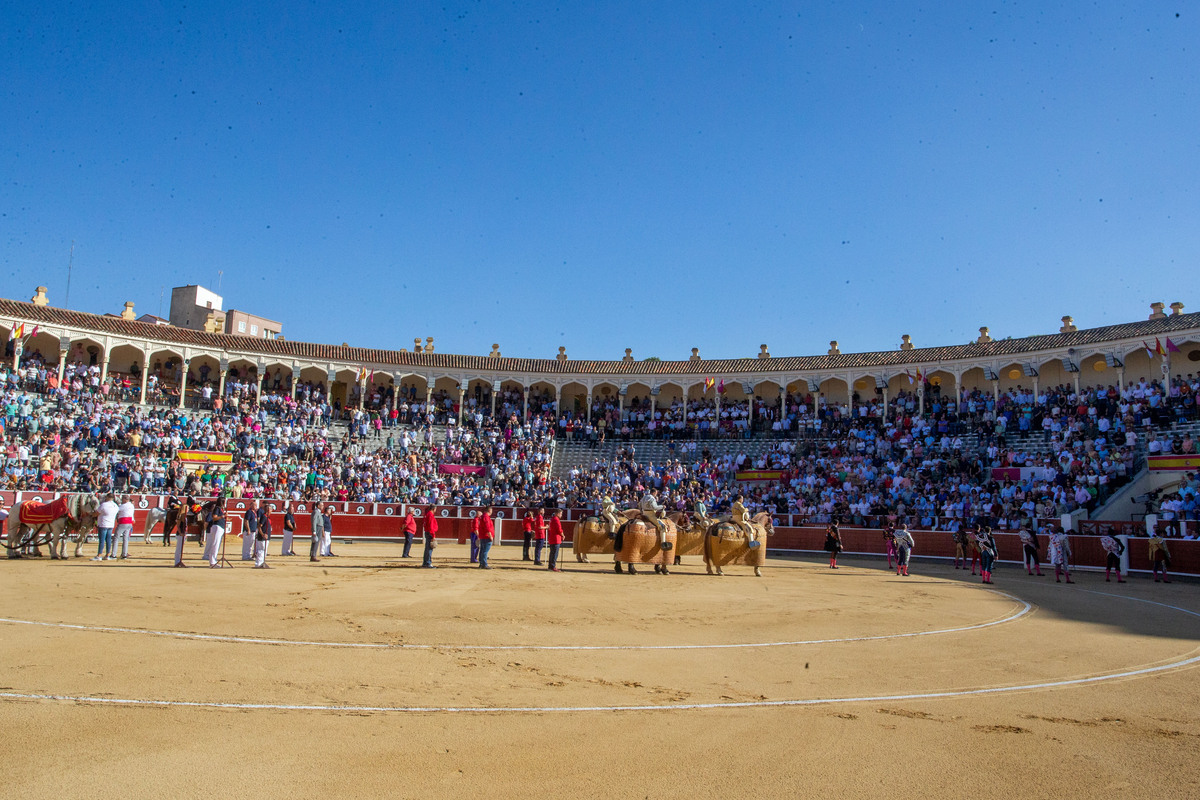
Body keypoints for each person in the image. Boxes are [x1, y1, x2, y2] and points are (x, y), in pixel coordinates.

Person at [92, 494, 118, 561]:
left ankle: (99, 555)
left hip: (103, 524)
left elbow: (96, 513)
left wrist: (91, 514)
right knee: (108, 540)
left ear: (107, 497)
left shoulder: (104, 505)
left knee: (102, 540)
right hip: (111, 524)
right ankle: (107, 555)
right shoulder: (115, 506)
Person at [203, 501, 227, 568]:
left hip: (219, 527)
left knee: (216, 544)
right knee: (215, 544)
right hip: (217, 527)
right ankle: (212, 561)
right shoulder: (217, 509)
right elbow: (214, 518)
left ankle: (213, 560)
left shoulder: (220, 509)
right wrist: (222, 516)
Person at [253, 502, 271, 569]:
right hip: (263, 537)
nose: (271, 511)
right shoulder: (264, 517)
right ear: (268, 510)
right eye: (271, 510)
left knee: (263, 550)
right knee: (262, 550)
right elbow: (259, 526)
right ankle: (258, 563)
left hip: (264, 536)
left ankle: (261, 562)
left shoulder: (266, 517)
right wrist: (263, 534)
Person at [476, 505, 495, 569]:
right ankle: (484, 564)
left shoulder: (482, 517)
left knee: (482, 550)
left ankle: (481, 564)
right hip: (486, 536)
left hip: (483, 535)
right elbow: (487, 528)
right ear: (489, 510)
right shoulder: (486, 517)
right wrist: (490, 536)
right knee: (485, 551)